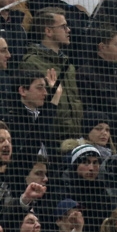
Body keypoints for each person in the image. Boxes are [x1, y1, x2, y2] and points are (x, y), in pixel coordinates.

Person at [21, 7, 82, 142]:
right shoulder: (32, 63)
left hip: (75, 137)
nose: (68, 30)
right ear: (48, 31)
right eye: (63, 27)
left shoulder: (69, 66)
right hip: (50, 139)